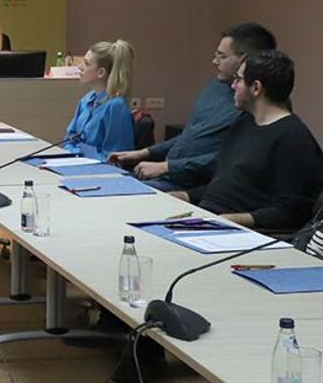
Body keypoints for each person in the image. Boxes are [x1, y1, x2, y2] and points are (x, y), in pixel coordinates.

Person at [109, 22, 276, 191]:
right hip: (167, 175)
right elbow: (189, 136)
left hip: (193, 186)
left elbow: (227, 159)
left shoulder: (252, 104)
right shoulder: (216, 87)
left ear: (244, 60)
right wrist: (145, 153)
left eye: (222, 56)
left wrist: (167, 167)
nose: (214, 61)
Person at [174, 50, 323, 230]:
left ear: (256, 88)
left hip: (241, 232)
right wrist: (182, 196)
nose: (232, 86)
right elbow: (225, 187)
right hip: (209, 218)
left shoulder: (294, 140)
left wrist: (224, 220)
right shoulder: (244, 123)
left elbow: (290, 213)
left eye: (238, 80)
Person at [65, 39, 136, 159]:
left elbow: (114, 157)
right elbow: (69, 139)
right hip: (78, 162)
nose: (79, 67)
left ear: (101, 72)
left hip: (100, 168)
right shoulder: (87, 99)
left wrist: (79, 154)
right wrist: (74, 153)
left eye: (86, 63)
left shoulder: (116, 106)